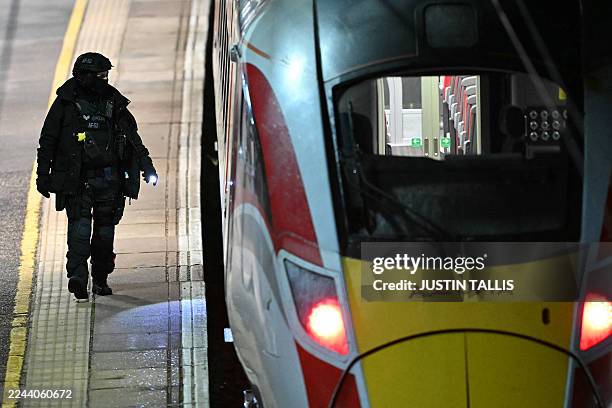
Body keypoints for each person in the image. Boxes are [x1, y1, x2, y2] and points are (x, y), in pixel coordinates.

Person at [36, 52, 158, 300]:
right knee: (80, 230)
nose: (106, 79)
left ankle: (99, 278)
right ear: (88, 76)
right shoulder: (66, 102)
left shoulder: (112, 101)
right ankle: (79, 278)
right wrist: (42, 173)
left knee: (103, 233)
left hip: (108, 180)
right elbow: (48, 140)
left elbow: (132, 138)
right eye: (102, 75)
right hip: (79, 180)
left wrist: (147, 165)